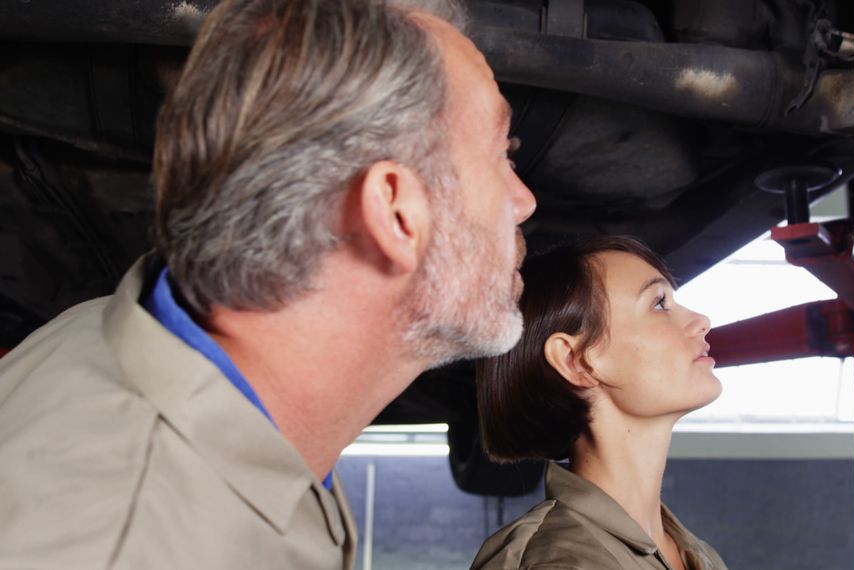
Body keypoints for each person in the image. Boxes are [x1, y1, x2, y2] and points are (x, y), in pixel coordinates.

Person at [0, 0, 535, 567]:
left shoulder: (106, 330)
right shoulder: (126, 546)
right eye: (501, 154)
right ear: (395, 214)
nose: (524, 201)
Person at [471, 236, 728, 570]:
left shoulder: (697, 555)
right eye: (659, 303)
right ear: (575, 361)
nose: (701, 320)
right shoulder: (560, 562)